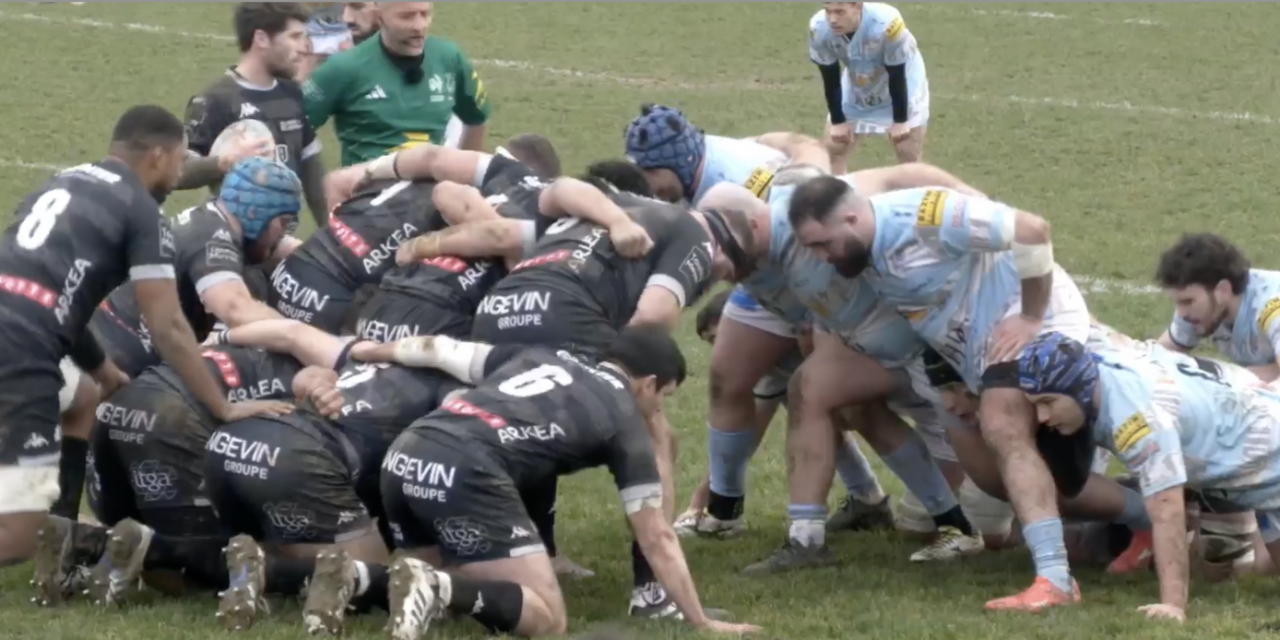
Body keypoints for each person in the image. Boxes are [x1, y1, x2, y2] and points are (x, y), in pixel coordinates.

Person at [784, 176, 1103, 610]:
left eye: (823, 245)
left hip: (1031, 324)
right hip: (977, 355)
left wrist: (1030, 315)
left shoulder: (925, 218)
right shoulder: (860, 252)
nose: (821, 258)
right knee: (1001, 479)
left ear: (853, 218)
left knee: (1002, 423)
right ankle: (1143, 517)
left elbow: (1032, 229)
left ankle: (1054, 581)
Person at [0, 104, 285, 585]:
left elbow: (52, 295)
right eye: (179, 162)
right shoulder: (142, 212)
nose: (179, 175)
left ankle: (63, 543)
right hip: (20, 350)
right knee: (17, 533)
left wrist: (103, 369)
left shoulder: (63, 180)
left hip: (17, 321)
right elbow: (169, 326)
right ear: (157, 155)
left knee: (85, 398)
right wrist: (222, 407)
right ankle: (43, 537)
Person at [372, 326, 760, 637]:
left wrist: (360, 351)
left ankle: (361, 578)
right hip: (465, 466)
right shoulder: (623, 417)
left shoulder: (541, 354)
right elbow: (656, 535)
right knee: (548, 619)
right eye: (664, 396)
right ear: (647, 384)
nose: (659, 409)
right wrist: (701, 622)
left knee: (443, 594)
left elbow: (440, 350)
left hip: (407, 451)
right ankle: (437, 586)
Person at [987, 331, 1280, 623]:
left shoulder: (1136, 419)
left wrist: (1173, 605)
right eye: (1035, 403)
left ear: (1079, 388)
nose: (1041, 417)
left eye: (1049, 402)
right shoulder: (1098, 365)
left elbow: (1167, 508)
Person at [34, 344, 299, 606]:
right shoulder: (315, 360)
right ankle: (104, 545)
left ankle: (82, 540)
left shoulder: (252, 342)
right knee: (201, 564)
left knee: (133, 528)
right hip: (167, 415)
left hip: (118, 404)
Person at [678, 289, 894, 538]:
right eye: (712, 343)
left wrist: (697, 503)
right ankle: (870, 499)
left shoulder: (769, 357)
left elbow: (746, 437)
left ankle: (928, 510)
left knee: (861, 423)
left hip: (876, 362)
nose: (721, 350)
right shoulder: (771, 361)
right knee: (824, 426)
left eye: (720, 338)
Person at [90, 157, 303, 377]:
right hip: (119, 359)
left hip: (113, 338)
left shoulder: (213, 218)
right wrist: (311, 339)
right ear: (255, 215)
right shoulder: (212, 240)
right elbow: (237, 310)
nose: (284, 234)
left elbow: (290, 249)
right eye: (284, 223)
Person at [181, 3, 328, 224]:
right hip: (232, 242)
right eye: (295, 36)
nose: (305, 47)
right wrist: (224, 162)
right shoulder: (216, 100)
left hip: (280, 241)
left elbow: (313, 175)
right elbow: (179, 171)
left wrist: (335, 237)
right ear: (261, 39)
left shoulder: (291, 93)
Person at [302, 2, 492, 166]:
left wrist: (464, 177)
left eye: (425, 14)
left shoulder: (449, 57)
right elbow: (294, 126)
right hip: (369, 195)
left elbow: (476, 117)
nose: (419, 25)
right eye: (406, 17)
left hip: (433, 191)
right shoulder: (344, 68)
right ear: (380, 17)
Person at [809, 2, 929, 171]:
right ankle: (837, 195)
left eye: (840, 12)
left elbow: (896, 72)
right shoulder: (819, 28)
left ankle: (913, 193)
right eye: (828, 11)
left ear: (858, 6)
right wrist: (838, 121)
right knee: (833, 148)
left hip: (903, 79)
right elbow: (830, 76)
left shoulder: (887, 24)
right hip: (859, 79)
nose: (832, 19)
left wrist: (900, 120)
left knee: (907, 152)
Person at [1155, 232, 1280, 386]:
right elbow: (1155, 358)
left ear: (1223, 290)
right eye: (1178, 303)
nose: (1181, 313)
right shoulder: (1203, 311)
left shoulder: (1272, 308)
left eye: (1187, 301)